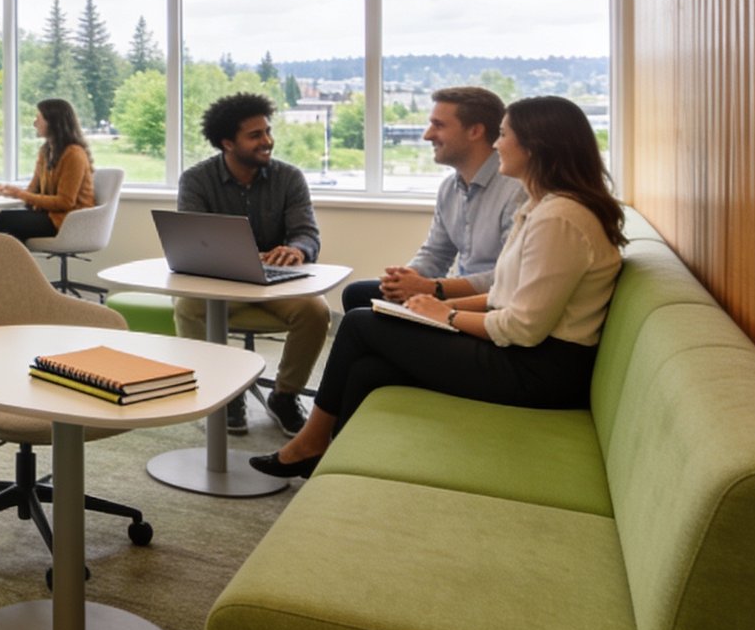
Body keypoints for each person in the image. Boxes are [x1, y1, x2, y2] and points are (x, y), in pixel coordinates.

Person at [250, 96, 625, 479]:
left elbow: (522, 328)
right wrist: (421, 298)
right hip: (525, 353)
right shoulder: (540, 208)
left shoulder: (560, 219)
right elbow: (504, 295)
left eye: (504, 135)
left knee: (360, 324)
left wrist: (446, 313)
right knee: (367, 368)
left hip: (540, 372)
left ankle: (310, 445)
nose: (497, 144)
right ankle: (335, 472)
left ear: (535, 146)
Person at [177, 92, 328, 437]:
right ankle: (221, 392)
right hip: (222, 282)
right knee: (188, 307)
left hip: (276, 282)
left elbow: (307, 233)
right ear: (227, 143)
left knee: (316, 311)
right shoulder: (197, 180)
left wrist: (297, 250)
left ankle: (285, 396)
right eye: (255, 135)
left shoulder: (289, 178)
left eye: (268, 131)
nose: (268, 141)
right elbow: (192, 241)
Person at [340, 87, 525, 314]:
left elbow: (511, 277)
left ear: (475, 131)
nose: (427, 135)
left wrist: (433, 288)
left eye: (438, 125)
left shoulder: (516, 190)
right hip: (452, 293)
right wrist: (405, 278)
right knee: (356, 294)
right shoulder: (449, 188)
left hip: (489, 307)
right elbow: (436, 253)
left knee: (359, 320)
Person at [0, 98, 95, 242]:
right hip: (51, 216)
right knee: (11, 227)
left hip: (70, 221)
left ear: (53, 122)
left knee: (6, 220)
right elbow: (33, 190)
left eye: (38, 119)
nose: (34, 124)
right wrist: (11, 191)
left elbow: (65, 202)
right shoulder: (46, 151)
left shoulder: (74, 154)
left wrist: (20, 194)